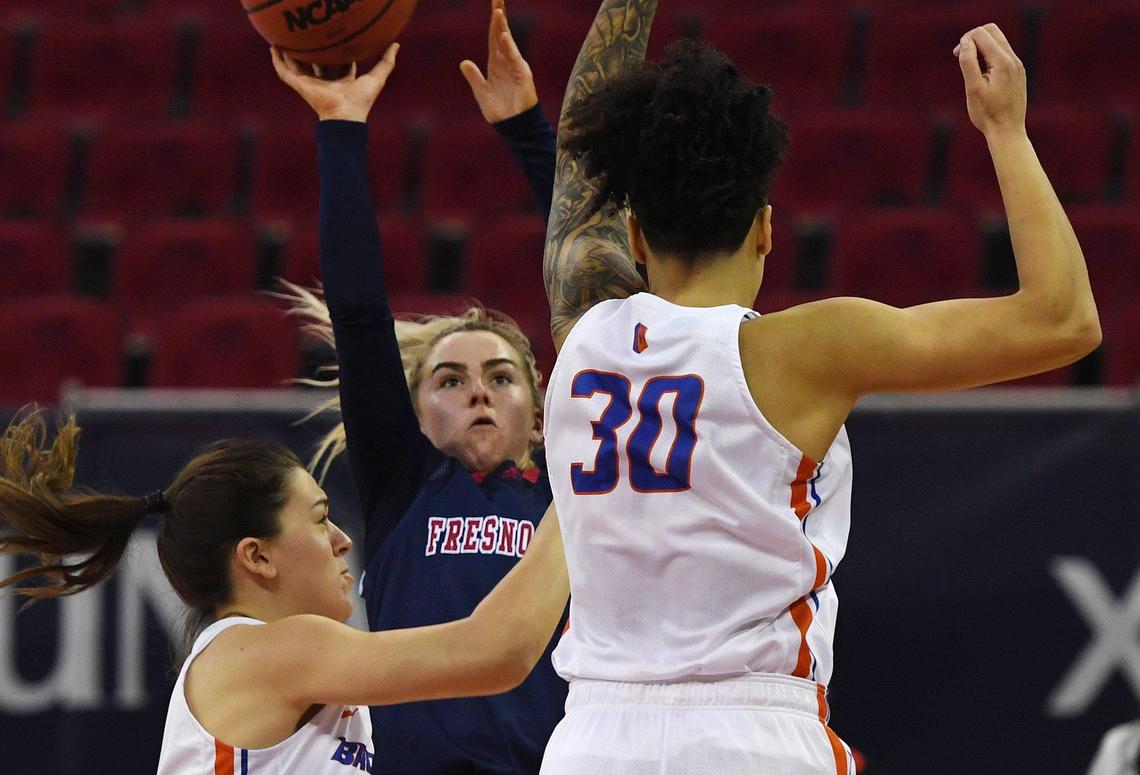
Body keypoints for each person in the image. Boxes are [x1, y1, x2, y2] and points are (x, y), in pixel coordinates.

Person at [537, 3, 1101, 773]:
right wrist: (1006, 129)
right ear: (766, 229)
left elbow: (579, 164)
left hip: (591, 739)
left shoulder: (584, 332)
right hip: (748, 732)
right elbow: (1064, 320)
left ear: (633, 237)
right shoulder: (803, 350)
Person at [269, 3, 566, 772]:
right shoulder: (407, 481)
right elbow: (361, 317)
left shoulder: (572, 494)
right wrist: (340, 127)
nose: (477, 392)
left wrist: (529, 129)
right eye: (451, 378)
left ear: (540, 415)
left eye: (502, 376)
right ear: (417, 409)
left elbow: (601, 291)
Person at [0, 409, 568, 773]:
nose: (344, 540)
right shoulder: (275, 651)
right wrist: (582, 483)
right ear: (258, 556)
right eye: (321, 519)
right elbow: (499, 651)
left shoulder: (271, 660)